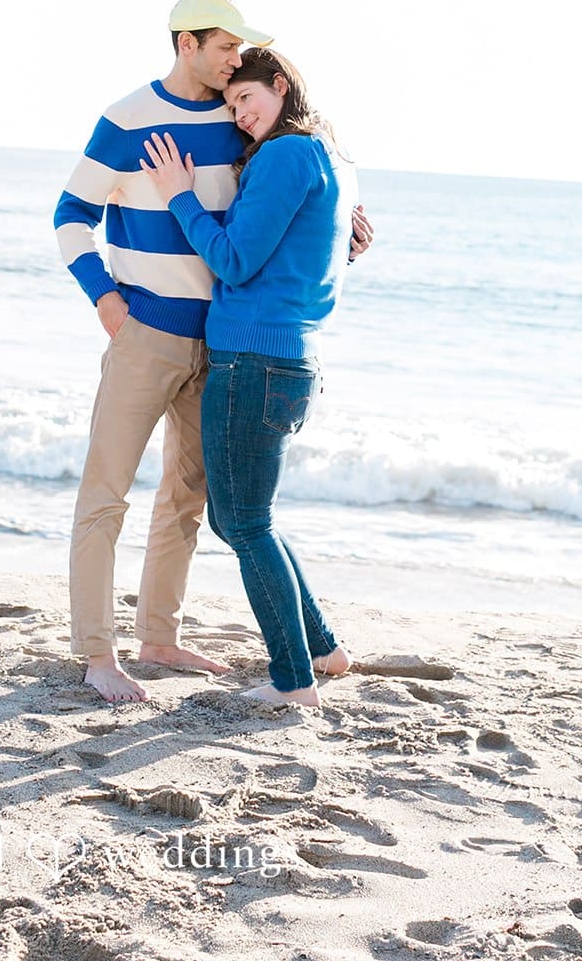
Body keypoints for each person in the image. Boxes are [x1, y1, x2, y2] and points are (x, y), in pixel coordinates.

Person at [54, 0, 372, 705]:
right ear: (187, 42)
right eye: (226, 46)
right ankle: (98, 654)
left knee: (187, 499)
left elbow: (272, 228)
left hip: (223, 343)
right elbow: (69, 215)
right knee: (105, 495)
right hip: (146, 333)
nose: (236, 62)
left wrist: (340, 234)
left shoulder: (243, 130)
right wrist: (103, 298)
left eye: (243, 59)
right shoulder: (128, 118)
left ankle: (158, 637)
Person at [140, 46, 358, 708]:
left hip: (253, 360)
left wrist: (179, 197)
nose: (239, 116)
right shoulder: (330, 159)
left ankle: (293, 681)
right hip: (288, 361)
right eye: (231, 106)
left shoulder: (286, 155)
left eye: (246, 99)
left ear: (281, 85)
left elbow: (233, 261)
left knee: (242, 524)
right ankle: (321, 648)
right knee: (248, 520)